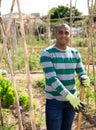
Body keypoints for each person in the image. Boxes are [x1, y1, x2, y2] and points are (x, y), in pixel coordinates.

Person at [40, 23, 90, 130]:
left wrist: (84, 78)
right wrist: (70, 97)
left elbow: (81, 72)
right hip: (54, 102)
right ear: (55, 35)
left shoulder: (75, 53)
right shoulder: (47, 53)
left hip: (71, 104)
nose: (64, 35)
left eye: (67, 33)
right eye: (60, 32)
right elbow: (53, 80)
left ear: (70, 36)